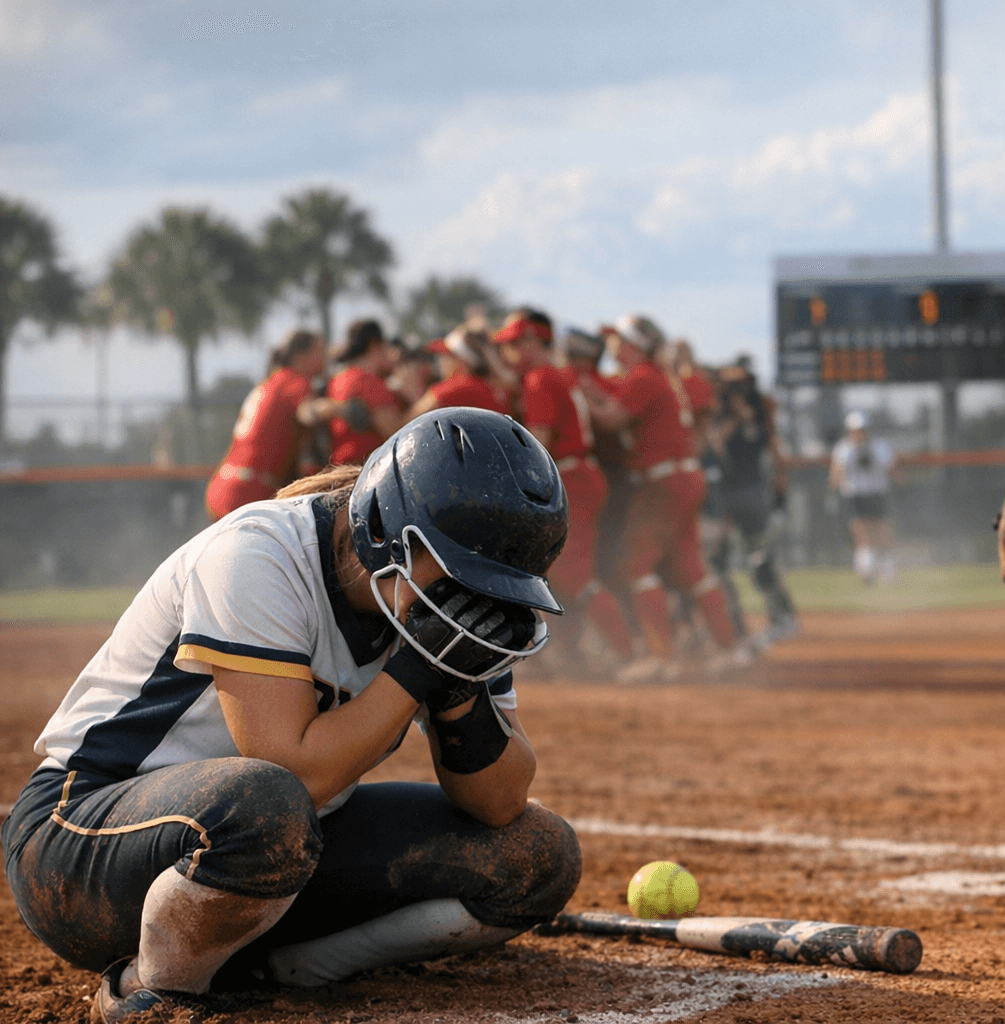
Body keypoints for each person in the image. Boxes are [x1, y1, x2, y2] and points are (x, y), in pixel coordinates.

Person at [1, 409, 581, 1020]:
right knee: (268, 803)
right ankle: (156, 990)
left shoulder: (438, 609)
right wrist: (414, 670)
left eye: (502, 585)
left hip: (270, 850)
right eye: (469, 575)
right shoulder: (259, 553)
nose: (480, 598)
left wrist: (456, 690)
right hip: (78, 844)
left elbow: (499, 802)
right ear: (384, 527)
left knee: (538, 856)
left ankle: (285, 965)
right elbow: (291, 770)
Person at [579, 314, 747, 681]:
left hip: (664, 482)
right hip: (684, 476)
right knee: (691, 568)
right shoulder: (654, 377)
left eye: (618, 341)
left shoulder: (643, 376)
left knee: (634, 564)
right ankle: (731, 650)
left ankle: (662, 658)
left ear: (633, 345)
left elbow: (610, 420)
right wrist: (591, 388)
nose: (612, 349)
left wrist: (578, 392)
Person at [498, 311, 636, 668]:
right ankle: (569, 655)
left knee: (572, 575)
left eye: (514, 344)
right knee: (556, 575)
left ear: (532, 342)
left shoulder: (539, 379)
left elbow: (538, 445)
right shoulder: (554, 374)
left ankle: (625, 653)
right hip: (579, 475)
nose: (509, 352)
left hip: (570, 478)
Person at [205, 329, 346, 521]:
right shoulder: (295, 380)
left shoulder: (271, 381)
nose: (325, 357)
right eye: (319, 351)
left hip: (226, 486)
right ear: (299, 356)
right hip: (249, 493)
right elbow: (307, 412)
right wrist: (338, 408)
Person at [705, 361, 799, 645]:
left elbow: (777, 456)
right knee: (716, 560)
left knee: (760, 558)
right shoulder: (717, 411)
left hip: (751, 491)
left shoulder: (761, 411)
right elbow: (713, 444)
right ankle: (733, 623)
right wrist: (733, 418)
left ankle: (781, 617)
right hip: (722, 491)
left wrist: (780, 498)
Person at [326, 318, 409, 465]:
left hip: (342, 467)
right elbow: (396, 433)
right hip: (365, 469)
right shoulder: (367, 380)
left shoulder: (338, 378)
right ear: (374, 345)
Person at [828, 410, 897, 585]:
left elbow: (892, 469)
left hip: (876, 493)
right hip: (854, 494)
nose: (859, 434)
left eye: (862, 429)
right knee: (861, 533)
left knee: (882, 531)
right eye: (856, 430)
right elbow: (835, 476)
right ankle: (867, 572)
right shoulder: (844, 449)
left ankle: (887, 571)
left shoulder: (879, 446)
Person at [410, 325, 513, 416]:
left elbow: (406, 424)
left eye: (448, 355)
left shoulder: (456, 387)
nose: (440, 361)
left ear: (463, 360)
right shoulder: (491, 386)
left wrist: (411, 387)